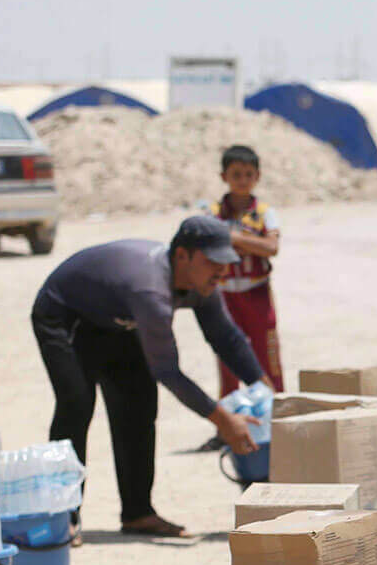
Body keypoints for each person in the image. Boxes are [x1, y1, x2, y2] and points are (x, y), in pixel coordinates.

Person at [30, 217, 263, 539]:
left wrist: (268, 394)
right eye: (213, 262)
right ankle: (62, 517)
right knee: (76, 404)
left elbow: (226, 338)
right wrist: (223, 420)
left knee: (138, 404)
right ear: (183, 256)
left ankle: (138, 513)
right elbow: (167, 370)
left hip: (118, 320)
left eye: (226, 263)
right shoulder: (150, 288)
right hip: (65, 315)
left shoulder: (203, 282)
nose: (221, 271)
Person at [210, 144, 284, 396]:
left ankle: (278, 418)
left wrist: (234, 239)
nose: (242, 181)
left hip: (257, 293)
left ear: (257, 177)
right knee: (228, 359)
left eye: (248, 175)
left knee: (267, 356)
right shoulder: (212, 214)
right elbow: (208, 245)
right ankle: (230, 425)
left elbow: (272, 247)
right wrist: (250, 242)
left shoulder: (265, 213)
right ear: (224, 177)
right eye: (236, 175)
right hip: (224, 295)